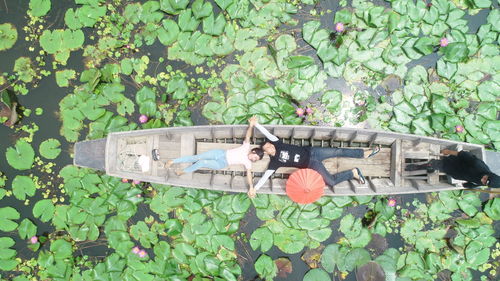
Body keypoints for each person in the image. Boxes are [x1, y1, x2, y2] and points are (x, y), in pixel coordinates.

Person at [247, 120, 380, 198]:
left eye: (269, 145)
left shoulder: (278, 143)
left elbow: (267, 134)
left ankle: (364, 153)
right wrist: (255, 188)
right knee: (331, 182)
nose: (270, 147)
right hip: (311, 165)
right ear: (267, 153)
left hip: (313, 151)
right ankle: (353, 173)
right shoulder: (274, 163)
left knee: (338, 151)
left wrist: (256, 124)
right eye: (268, 149)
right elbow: (265, 177)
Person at [164, 116, 263, 193]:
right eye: (255, 157)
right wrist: (251, 125)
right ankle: (172, 161)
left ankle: (183, 171)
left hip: (222, 163)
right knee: (197, 157)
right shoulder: (246, 147)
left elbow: (249, 174)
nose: (253, 159)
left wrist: (251, 187)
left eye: (255, 160)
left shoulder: (248, 163)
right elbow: (248, 136)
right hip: (220, 153)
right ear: (253, 152)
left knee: (202, 162)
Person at [405, 149, 500, 188]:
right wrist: (448, 151)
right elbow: (462, 154)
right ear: (489, 175)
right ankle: (420, 166)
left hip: (456, 173)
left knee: (443, 170)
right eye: (485, 178)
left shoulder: (484, 183)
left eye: (484, 182)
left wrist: (468, 185)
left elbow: (475, 184)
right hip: (452, 163)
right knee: (434, 164)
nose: (482, 180)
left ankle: (432, 167)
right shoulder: (477, 164)